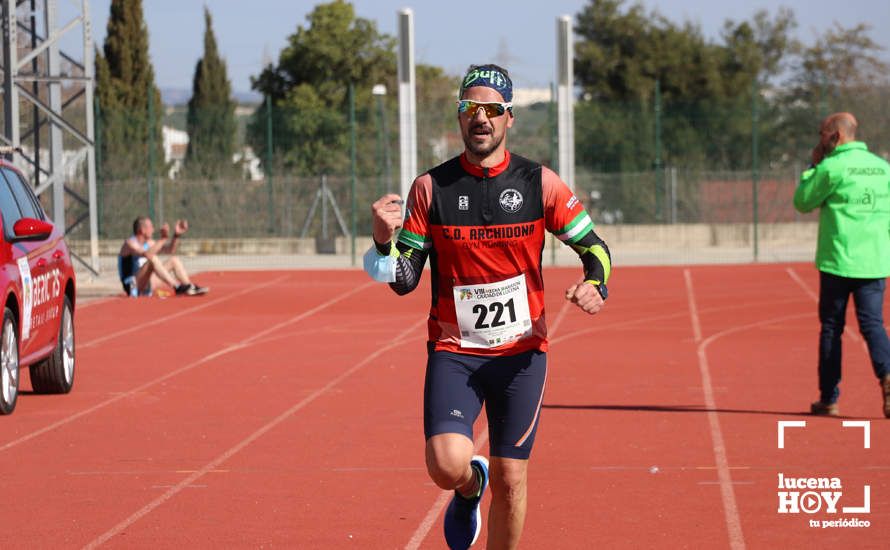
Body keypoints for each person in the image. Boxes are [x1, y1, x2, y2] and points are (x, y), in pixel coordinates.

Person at [364, 64, 611, 549]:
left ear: (509, 118)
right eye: (470, 108)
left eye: (492, 109)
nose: (481, 118)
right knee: (445, 465)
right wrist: (380, 242)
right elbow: (405, 280)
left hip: (522, 356)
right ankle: (467, 487)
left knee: (512, 480)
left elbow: (596, 247)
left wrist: (596, 284)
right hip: (456, 353)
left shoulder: (541, 183)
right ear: (459, 117)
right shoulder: (429, 189)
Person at [793, 112, 890, 418]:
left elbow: (803, 201)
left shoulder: (831, 167)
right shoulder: (882, 168)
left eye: (822, 134)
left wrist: (813, 166)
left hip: (838, 261)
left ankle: (829, 398)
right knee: (873, 324)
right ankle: (888, 377)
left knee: (832, 328)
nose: (819, 140)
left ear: (834, 136)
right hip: (874, 260)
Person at [118, 216, 208, 297]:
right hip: (133, 285)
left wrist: (176, 235)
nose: (153, 230)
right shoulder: (130, 243)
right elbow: (148, 255)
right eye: (151, 227)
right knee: (153, 259)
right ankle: (177, 287)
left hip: (147, 282)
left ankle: (189, 287)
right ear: (142, 230)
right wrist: (163, 239)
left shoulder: (149, 243)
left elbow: (170, 250)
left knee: (174, 260)